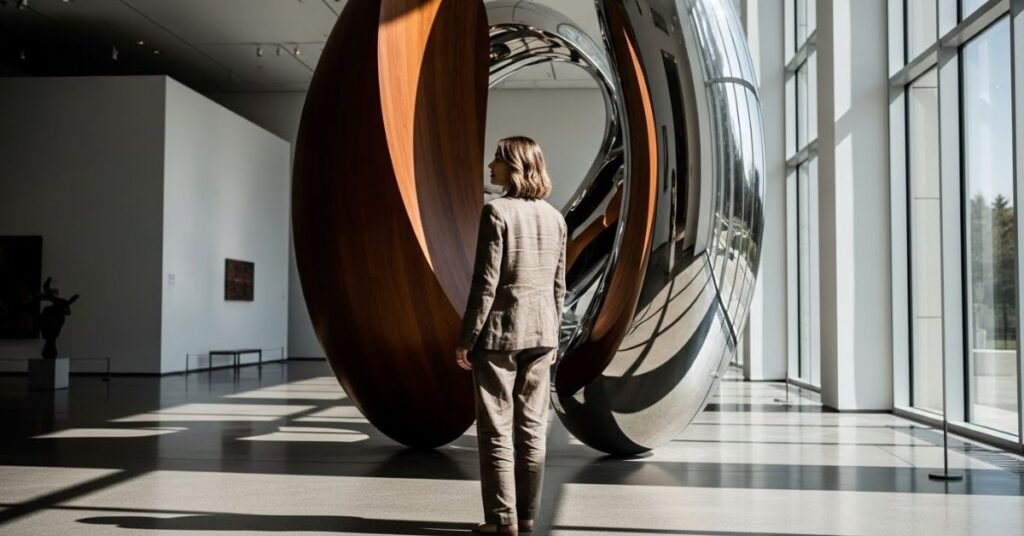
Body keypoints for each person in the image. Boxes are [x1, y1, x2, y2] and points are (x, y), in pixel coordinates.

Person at [455, 136, 567, 536]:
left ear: (516, 166)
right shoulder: (556, 218)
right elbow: (559, 286)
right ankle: (528, 516)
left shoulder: (496, 211)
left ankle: (502, 521)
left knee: (496, 429)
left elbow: (485, 283)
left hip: (500, 334)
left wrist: (467, 338)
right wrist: (554, 337)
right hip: (542, 334)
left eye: (498, 161)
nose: (490, 166)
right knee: (533, 429)